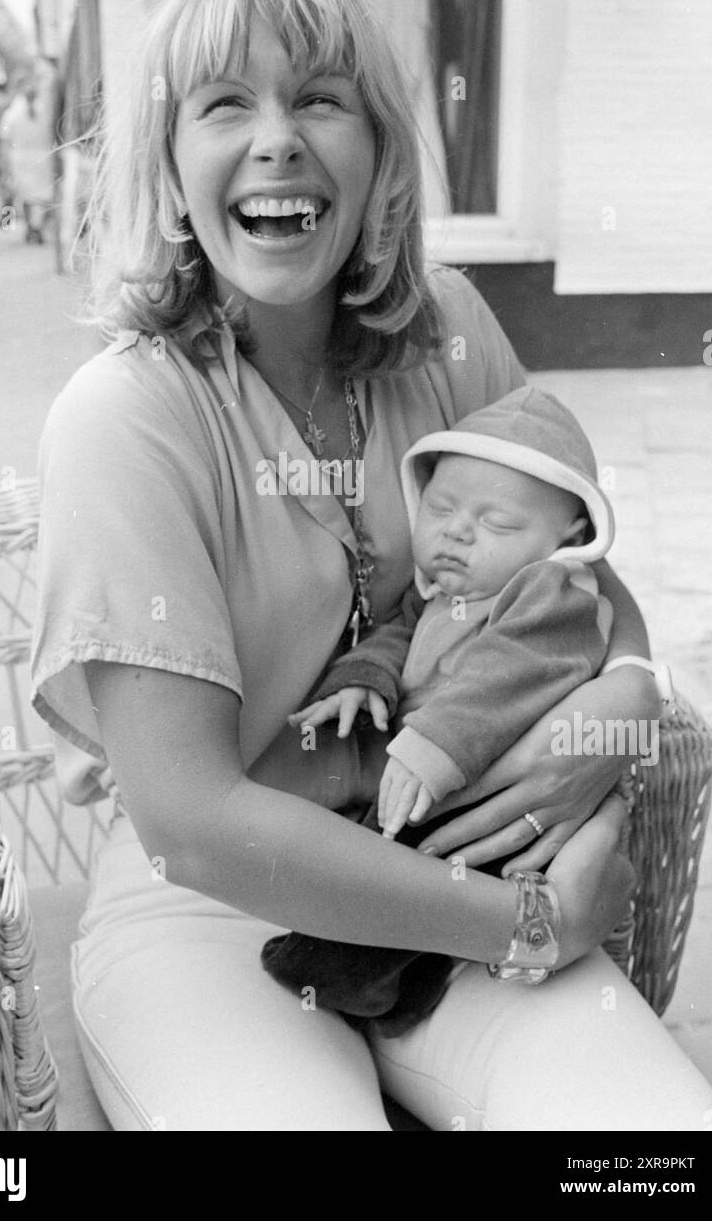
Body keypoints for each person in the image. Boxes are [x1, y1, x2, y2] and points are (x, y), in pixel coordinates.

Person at [31, 0, 712, 1131]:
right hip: (219, 910)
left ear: (380, 150)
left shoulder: (451, 330)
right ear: (168, 158)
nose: (277, 138)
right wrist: (523, 921)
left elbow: (596, 603)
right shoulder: (123, 419)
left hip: (456, 842)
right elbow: (193, 822)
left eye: (320, 100)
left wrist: (596, 783)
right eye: (223, 104)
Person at [264, 385, 622, 1033]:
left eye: (498, 524)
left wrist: (435, 745)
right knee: (404, 872)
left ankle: (324, 968)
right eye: (442, 508)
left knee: (397, 875)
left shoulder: (551, 594)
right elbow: (399, 636)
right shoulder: (437, 590)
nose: (457, 533)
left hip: (493, 780)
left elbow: (510, 671)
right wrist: (363, 679)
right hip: (432, 771)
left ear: (569, 535)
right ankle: (406, 992)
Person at [0, 69, 55, 244]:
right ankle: (36, 227)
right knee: (40, 196)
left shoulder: (11, 113)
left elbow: (4, 139)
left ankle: (22, 226)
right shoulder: (46, 111)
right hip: (43, 158)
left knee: (26, 196)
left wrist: (4, 164)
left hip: (20, 158)